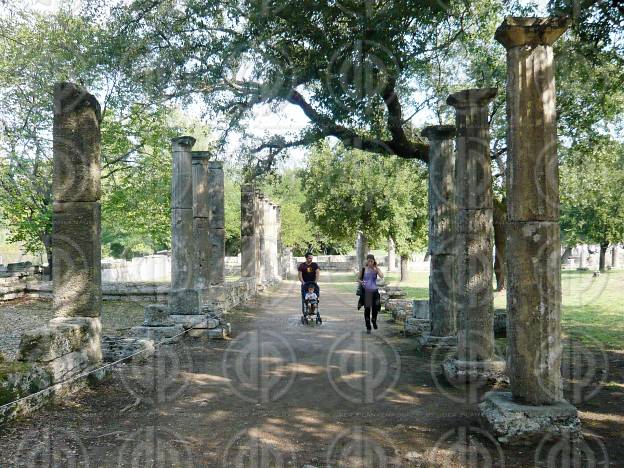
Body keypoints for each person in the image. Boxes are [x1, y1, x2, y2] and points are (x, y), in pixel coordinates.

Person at [358, 254, 384, 334]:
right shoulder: (363, 269)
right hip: (367, 292)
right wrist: (361, 282)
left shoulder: (376, 269)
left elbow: (382, 276)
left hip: (375, 291)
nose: (370, 262)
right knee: (367, 309)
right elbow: (358, 279)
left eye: (371, 261)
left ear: (374, 261)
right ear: (366, 261)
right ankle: (368, 326)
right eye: (368, 261)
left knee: (375, 308)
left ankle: (374, 320)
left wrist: (376, 268)